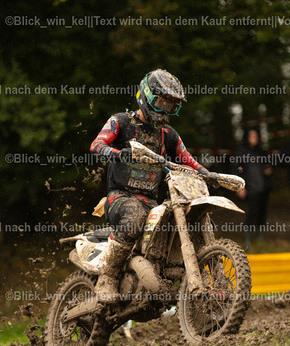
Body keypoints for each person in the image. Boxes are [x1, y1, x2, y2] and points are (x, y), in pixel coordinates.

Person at [89, 69, 209, 303]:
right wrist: (118, 154)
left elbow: (188, 161)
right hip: (119, 197)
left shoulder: (168, 135)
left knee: (181, 219)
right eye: (161, 103)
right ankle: (107, 278)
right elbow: (96, 144)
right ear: (146, 96)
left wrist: (209, 174)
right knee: (134, 216)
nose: (165, 111)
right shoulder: (121, 121)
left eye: (171, 106)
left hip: (151, 202)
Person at [233, 126, 272, 249]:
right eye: (251, 136)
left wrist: (268, 169)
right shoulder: (241, 152)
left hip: (263, 187)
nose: (254, 138)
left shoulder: (262, 152)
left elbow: (268, 166)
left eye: (255, 136)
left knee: (262, 212)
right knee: (252, 212)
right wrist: (239, 187)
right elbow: (237, 169)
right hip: (250, 188)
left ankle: (260, 238)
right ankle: (247, 239)